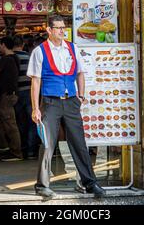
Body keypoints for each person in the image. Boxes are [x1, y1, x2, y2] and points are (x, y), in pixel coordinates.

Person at [27, 14, 106, 199]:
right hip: (50, 101)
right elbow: (35, 81)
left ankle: (90, 183)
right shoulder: (40, 51)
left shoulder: (72, 48)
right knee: (48, 144)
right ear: (49, 30)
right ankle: (42, 186)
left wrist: (81, 95)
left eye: (64, 27)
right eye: (58, 28)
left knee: (79, 143)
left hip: (71, 100)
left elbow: (80, 73)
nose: (63, 31)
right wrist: (35, 108)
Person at [0, 36, 23, 161]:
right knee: (9, 122)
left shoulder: (6, 59)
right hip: (12, 93)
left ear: (3, 45)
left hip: (7, 95)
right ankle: (11, 149)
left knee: (10, 123)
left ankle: (16, 152)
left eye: (0, 45)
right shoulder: (15, 58)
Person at [13, 35, 39, 159]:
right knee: (31, 122)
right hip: (30, 92)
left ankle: (22, 148)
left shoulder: (12, 58)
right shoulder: (29, 57)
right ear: (22, 44)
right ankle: (31, 150)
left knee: (19, 122)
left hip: (17, 93)